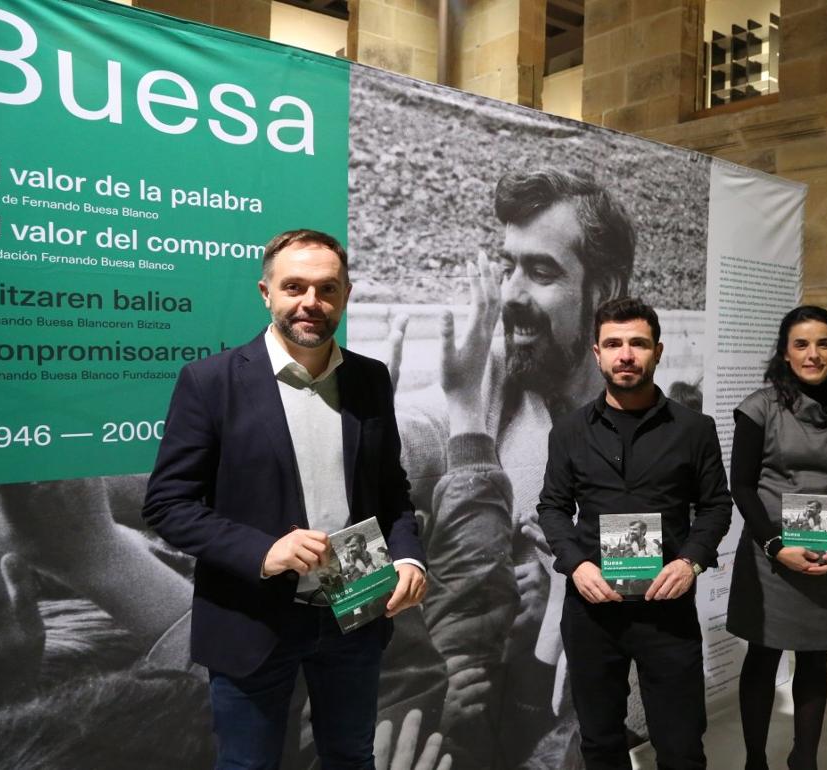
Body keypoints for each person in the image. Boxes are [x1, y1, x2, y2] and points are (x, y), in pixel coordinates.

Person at [142, 228, 428, 770]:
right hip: (252, 618)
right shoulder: (210, 381)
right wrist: (263, 551)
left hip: (355, 606)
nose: (311, 302)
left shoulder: (370, 379)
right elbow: (168, 505)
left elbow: (391, 491)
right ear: (266, 292)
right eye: (294, 286)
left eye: (327, 288)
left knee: (351, 757)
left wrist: (410, 557)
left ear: (345, 294)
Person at [389, 167, 639, 764]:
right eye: (509, 267)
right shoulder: (478, 386)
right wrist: (347, 450)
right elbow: (414, 437)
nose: (510, 295)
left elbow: (637, 606)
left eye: (542, 272)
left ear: (605, 291)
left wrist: (560, 602)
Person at [537, 297, 732, 770]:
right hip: (592, 609)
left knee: (681, 745)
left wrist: (691, 562)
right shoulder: (568, 431)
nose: (625, 355)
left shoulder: (695, 429)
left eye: (638, 343)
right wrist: (576, 565)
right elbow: (553, 508)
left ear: (658, 351)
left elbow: (716, 506)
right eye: (613, 344)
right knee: (600, 742)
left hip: (666, 608)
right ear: (597, 353)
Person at [726, 305, 827, 770]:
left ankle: (805, 759)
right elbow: (742, 485)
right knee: (763, 656)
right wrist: (775, 547)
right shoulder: (759, 408)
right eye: (801, 344)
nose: (813, 354)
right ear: (785, 353)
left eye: (823, 343)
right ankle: (755, 760)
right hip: (771, 555)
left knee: (815, 659)